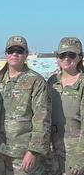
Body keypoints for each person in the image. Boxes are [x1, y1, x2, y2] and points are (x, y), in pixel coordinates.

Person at [0, 35, 51, 175]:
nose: (15, 54)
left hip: (22, 155)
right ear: (6, 54)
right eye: (11, 50)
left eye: (19, 51)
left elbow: (42, 118)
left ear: (26, 54)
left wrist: (33, 150)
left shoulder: (36, 81)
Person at [47, 37, 84, 175]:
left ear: (80, 57)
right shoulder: (52, 81)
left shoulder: (81, 84)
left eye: (71, 55)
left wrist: (80, 158)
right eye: (62, 55)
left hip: (75, 150)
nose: (66, 59)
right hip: (52, 149)